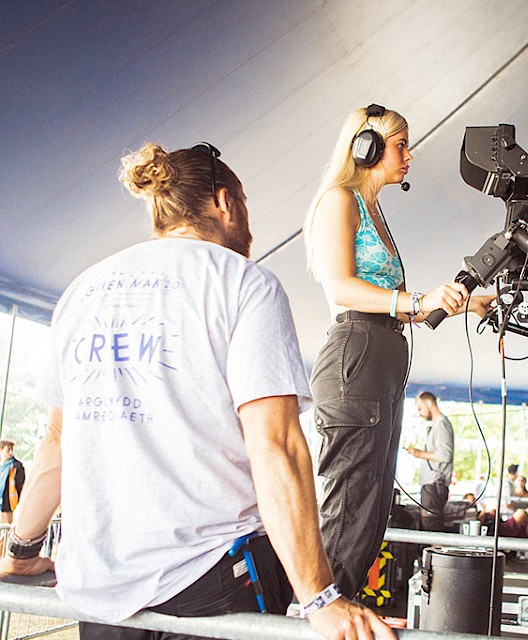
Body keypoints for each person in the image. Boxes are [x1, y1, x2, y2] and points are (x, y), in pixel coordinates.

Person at [0, 143, 392, 640]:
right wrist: (320, 597)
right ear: (225, 202)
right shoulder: (244, 283)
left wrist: (21, 551)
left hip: (105, 594)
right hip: (211, 580)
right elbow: (276, 445)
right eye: (244, 204)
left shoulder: (84, 290)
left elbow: (58, 444)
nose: (249, 223)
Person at [302, 104, 491, 597]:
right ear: (366, 149)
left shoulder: (374, 212)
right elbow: (342, 288)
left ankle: (339, 607)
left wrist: (467, 304)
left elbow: (402, 307)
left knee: (370, 511)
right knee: (349, 510)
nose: (409, 155)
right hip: (356, 355)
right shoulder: (339, 201)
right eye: (400, 145)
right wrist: (418, 300)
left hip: (380, 359)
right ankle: (317, 615)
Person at [404, 391, 454, 531]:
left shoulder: (441, 425)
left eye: (420, 408)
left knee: (431, 525)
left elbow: (445, 455)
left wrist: (419, 454)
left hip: (434, 484)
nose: (419, 413)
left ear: (429, 403)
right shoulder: (437, 425)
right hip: (431, 484)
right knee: (429, 524)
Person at [0, 440, 25, 525]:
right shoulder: (2, 467)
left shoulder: (17, 466)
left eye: (12, 450)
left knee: (5, 527)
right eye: (8, 450)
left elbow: (20, 486)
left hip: (8, 503)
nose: (11, 452)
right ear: (1, 450)